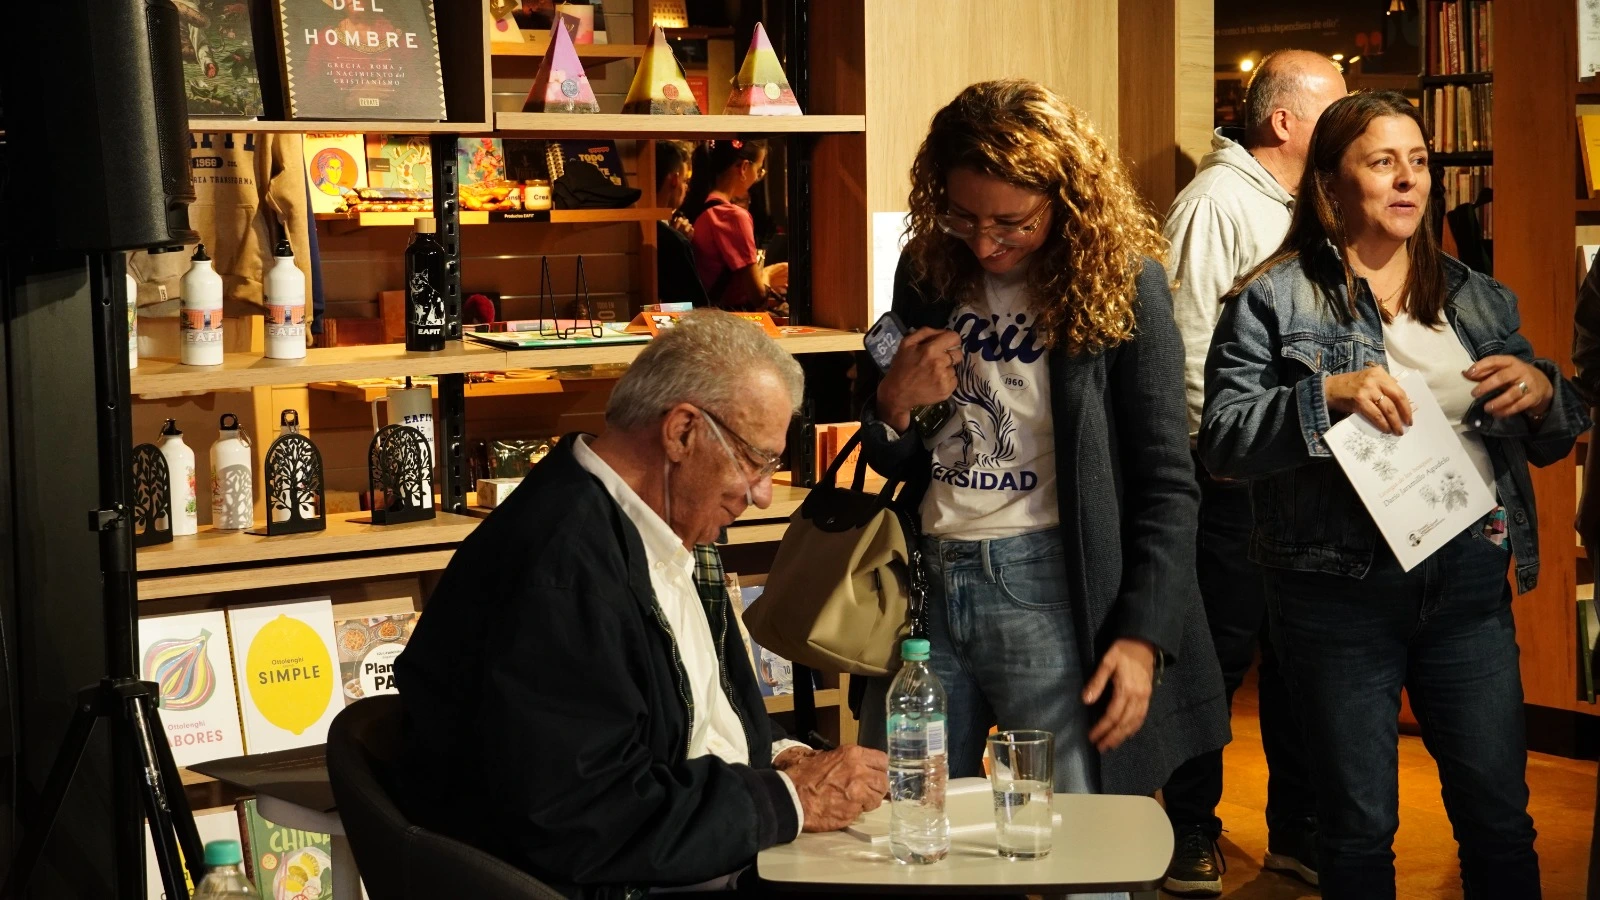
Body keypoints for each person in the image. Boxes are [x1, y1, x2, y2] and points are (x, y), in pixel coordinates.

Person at [1200, 90, 1590, 899]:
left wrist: (1543, 391)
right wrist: (1324, 396)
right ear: (1331, 185)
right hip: (1337, 594)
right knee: (1357, 828)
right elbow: (1226, 443)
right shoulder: (1273, 299)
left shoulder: (1476, 296)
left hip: (1470, 584)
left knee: (1499, 820)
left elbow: (1559, 429)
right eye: (1383, 162)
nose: (1408, 180)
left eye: (1419, 163)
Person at [855, 79, 1230, 900]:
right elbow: (887, 453)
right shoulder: (926, 272)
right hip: (923, 588)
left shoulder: (1124, 285)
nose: (986, 243)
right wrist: (893, 401)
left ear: (1065, 201)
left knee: (1072, 847)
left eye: (1012, 223)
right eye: (965, 216)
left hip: (1051, 585)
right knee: (900, 830)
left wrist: (1142, 635)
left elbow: (1171, 482)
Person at [394, 311, 889, 898]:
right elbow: (588, 818)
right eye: (755, 462)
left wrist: (785, 764)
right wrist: (790, 799)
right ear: (681, 432)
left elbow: (707, 725)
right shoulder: (561, 569)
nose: (760, 496)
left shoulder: (657, 534)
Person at [1159, 48, 1345, 895]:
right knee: (1214, 660)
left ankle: (1296, 830)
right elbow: (1188, 349)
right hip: (1232, 483)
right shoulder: (1217, 203)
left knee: (1300, 659)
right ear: (1283, 120)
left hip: (1301, 484)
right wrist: (1225, 459)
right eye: (1334, 107)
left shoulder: (1309, 204)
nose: (1351, 123)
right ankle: (1188, 830)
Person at [683, 139, 788, 311]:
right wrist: (770, 273)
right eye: (759, 169)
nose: (757, 177)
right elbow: (758, 296)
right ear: (744, 168)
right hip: (732, 321)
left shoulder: (703, 209)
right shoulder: (733, 216)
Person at [654, 140, 710, 307]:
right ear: (674, 180)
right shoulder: (674, 241)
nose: (687, 188)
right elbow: (697, 308)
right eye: (686, 181)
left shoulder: (629, 229)